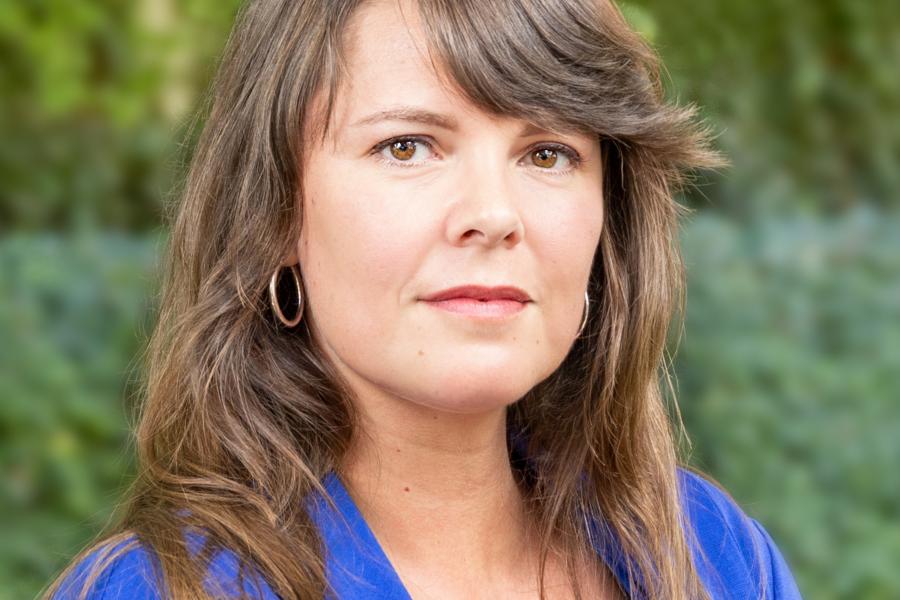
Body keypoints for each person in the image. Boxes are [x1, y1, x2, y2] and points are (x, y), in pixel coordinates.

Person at [47, 0, 803, 598]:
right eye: (406, 146)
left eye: (548, 153)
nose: (494, 214)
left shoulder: (717, 556)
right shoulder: (158, 590)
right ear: (277, 214)